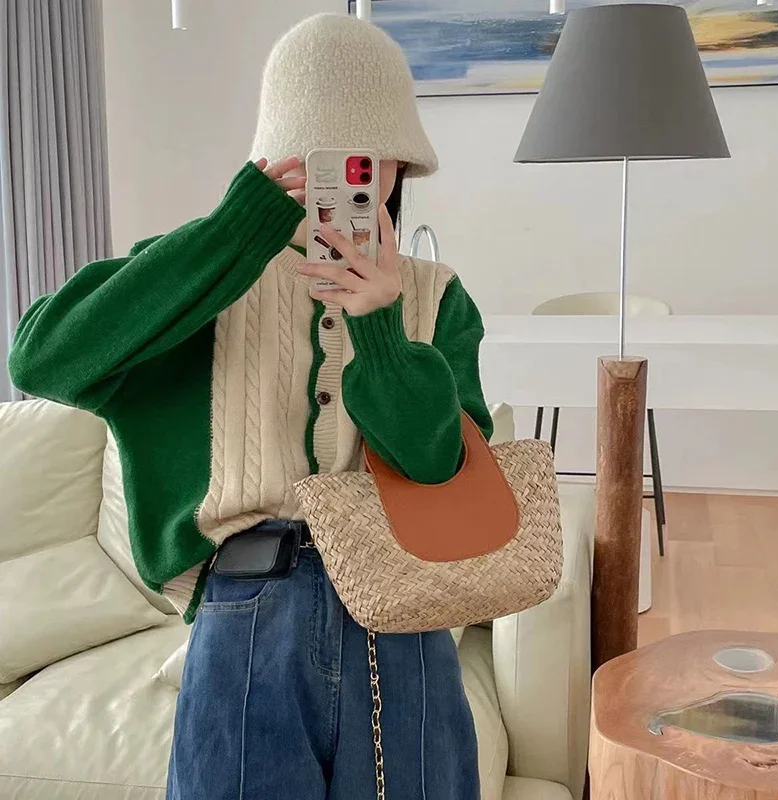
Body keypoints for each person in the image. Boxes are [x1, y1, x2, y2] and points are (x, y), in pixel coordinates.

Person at [9, 13, 492, 800]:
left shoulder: (436, 299)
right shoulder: (195, 282)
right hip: (246, 605)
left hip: (402, 615)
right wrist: (234, 231)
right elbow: (42, 361)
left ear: (402, 165)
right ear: (275, 156)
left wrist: (380, 329)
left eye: (371, 156)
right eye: (319, 156)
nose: (348, 176)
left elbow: (442, 471)